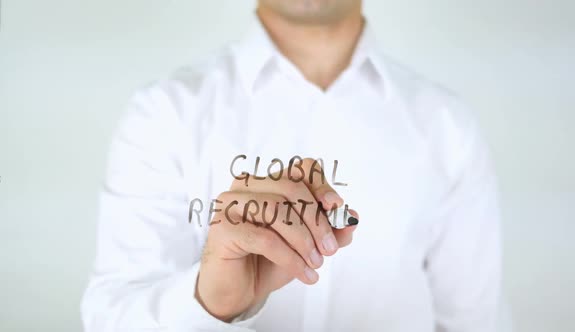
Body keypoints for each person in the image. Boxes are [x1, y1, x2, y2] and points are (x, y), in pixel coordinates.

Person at [81, 1, 502, 331]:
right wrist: (211, 303)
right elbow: (110, 318)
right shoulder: (164, 113)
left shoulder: (447, 126)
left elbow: (475, 323)